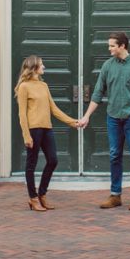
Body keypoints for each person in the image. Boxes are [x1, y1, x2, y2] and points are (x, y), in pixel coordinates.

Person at [77, 31, 130, 211]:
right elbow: (97, 93)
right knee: (114, 155)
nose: (109, 48)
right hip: (113, 118)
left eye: (112, 45)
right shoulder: (107, 66)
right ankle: (115, 195)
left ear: (122, 46)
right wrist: (86, 116)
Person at [15, 55, 78, 212]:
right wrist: (26, 136)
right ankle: (33, 198)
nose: (44, 67)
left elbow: (54, 109)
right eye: (42, 65)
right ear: (34, 68)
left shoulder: (43, 86)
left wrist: (73, 122)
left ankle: (42, 194)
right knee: (31, 164)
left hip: (47, 128)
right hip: (33, 130)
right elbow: (22, 114)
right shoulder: (24, 87)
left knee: (53, 160)